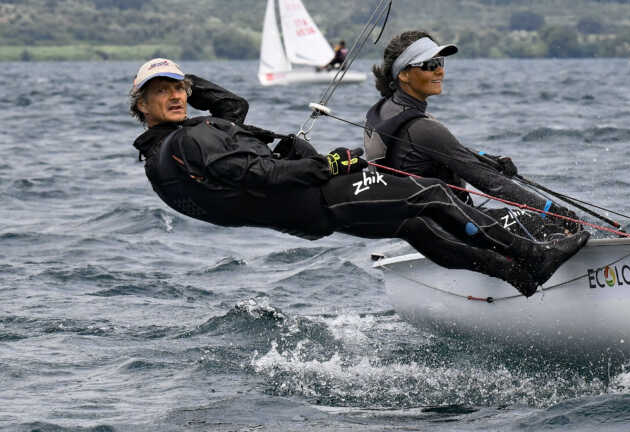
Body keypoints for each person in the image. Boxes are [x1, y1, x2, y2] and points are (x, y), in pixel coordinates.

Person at [129, 58, 588, 297]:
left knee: (413, 224)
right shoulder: (189, 142)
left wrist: (185, 79)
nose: (174, 97)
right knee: (428, 193)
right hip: (320, 194)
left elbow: (233, 112)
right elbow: (259, 172)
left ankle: (513, 276)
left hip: (304, 214)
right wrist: (329, 165)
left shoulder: (163, 157)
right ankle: (532, 255)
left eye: (178, 90)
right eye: (161, 92)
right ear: (141, 107)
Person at [365, 30, 580, 241]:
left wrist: (486, 159)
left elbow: (433, 152)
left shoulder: (384, 111)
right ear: (403, 74)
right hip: (448, 230)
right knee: (546, 226)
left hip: (415, 229)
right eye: (430, 65)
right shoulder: (423, 127)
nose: (439, 71)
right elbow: (491, 183)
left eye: (440, 63)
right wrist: (556, 212)